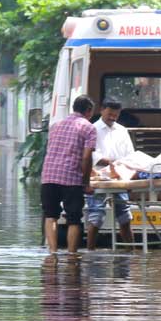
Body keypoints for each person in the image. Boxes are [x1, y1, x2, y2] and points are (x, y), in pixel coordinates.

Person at [41, 95, 96, 254]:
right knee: (73, 219)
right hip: (71, 178)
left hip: (49, 176)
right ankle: (72, 254)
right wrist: (86, 183)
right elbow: (86, 157)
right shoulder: (88, 127)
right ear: (88, 111)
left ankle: (52, 253)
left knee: (51, 215)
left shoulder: (56, 125)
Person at [87, 98, 134, 250]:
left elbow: (130, 155)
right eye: (110, 114)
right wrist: (108, 162)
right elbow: (91, 155)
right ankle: (90, 250)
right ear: (102, 110)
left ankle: (130, 250)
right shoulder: (92, 129)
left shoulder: (122, 130)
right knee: (96, 217)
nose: (113, 118)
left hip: (119, 177)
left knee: (125, 216)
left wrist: (125, 170)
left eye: (116, 115)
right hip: (98, 177)